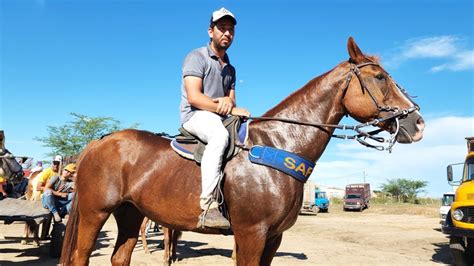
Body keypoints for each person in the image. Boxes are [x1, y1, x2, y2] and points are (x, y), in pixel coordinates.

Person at [179, 7, 250, 229]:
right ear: (211, 31)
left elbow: (231, 101)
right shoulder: (196, 56)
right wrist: (227, 107)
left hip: (217, 116)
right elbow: (195, 97)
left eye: (231, 30)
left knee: (248, 137)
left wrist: (231, 106)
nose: (227, 33)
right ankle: (208, 206)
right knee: (219, 137)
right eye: (222, 28)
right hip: (195, 115)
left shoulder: (230, 69)